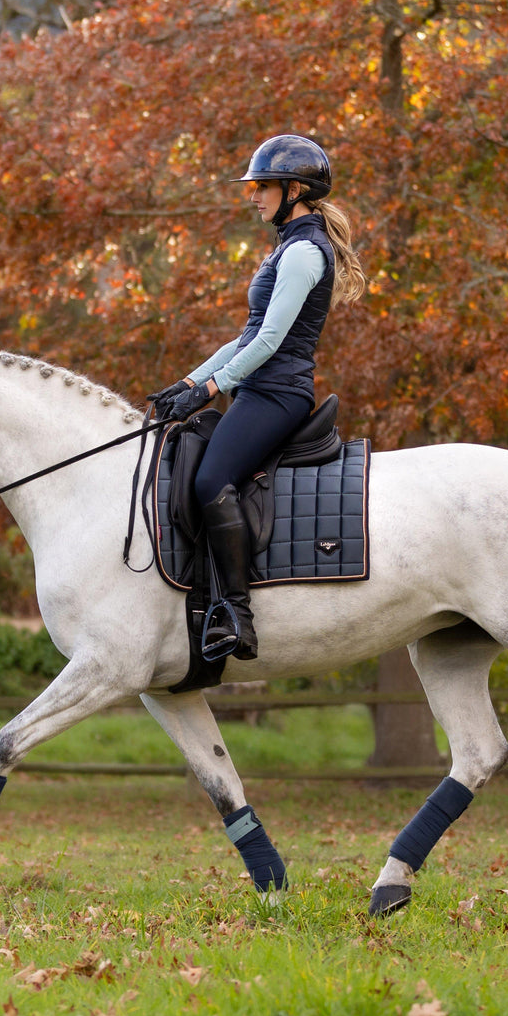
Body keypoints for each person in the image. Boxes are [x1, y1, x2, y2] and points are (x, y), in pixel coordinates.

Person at [148, 134, 367, 660]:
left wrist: (211, 388)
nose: (253, 196)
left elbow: (269, 343)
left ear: (295, 190)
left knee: (208, 480)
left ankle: (237, 614)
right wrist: (188, 382)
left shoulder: (304, 253)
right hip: (257, 387)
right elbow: (246, 336)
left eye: (263, 187)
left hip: (277, 394)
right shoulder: (287, 248)